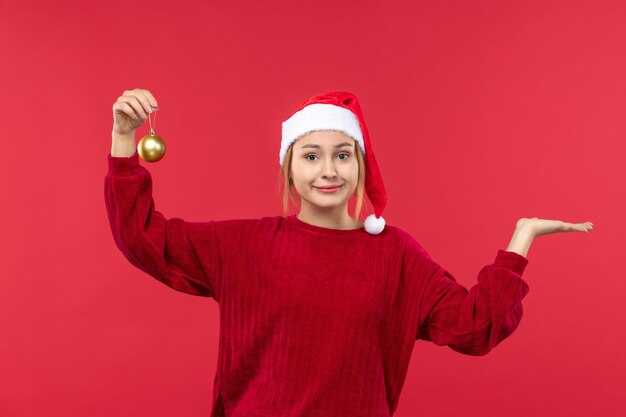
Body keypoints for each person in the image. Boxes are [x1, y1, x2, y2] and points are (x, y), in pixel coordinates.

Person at [105, 89, 594, 417]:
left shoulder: (395, 254)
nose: (328, 170)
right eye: (311, 155)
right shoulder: (243, 246)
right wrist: (124, 138)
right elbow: (143, 238)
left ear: (359, 164)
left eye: (343, 154)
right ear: (289, 168)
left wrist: (520, 240)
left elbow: (473, 325)